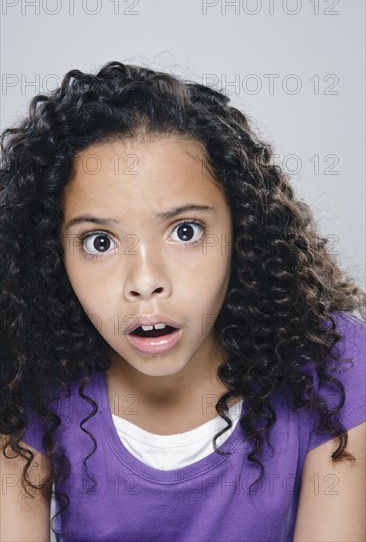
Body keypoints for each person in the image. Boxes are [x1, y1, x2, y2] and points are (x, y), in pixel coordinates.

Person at [0, 61, 365, 542]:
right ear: (52, 256)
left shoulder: (333, 360)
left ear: (242, 233)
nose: (146, 281)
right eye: (99, 242)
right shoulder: (24, 371)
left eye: (185, 232)